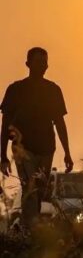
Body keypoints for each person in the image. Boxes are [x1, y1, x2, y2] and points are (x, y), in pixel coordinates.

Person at [0, 47, 73, 227]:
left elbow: (60, 123)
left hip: (47, 148)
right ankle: (30, 230)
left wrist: (67, 153)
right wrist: (3, 156)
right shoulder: (15, 89)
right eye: (39, 61)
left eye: (45, 62)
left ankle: (30, 228)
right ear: (28, 64)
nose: (43, 65)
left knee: (39, 191)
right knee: (30, 189)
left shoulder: (53, 90)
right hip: (23, 147)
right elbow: (5, 123)